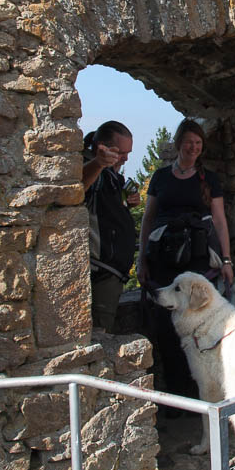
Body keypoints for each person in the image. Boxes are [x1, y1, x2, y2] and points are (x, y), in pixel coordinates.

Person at [137, 118, 234, 398]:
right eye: (189, 142)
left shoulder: (209, 179)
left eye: (198, 143)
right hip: (163, 261)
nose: (193, 148)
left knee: (203, 326)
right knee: (167, 330)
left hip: (198, 260)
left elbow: (219, 220)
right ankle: (178, 395)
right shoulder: (160, 177)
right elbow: (148, 219)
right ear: (179, 143)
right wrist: (142, 258)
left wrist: (226, 260)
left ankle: (205, 393)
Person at [83, 121, 139, 333]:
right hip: (100, 272)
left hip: (112, 273)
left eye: (128, 153)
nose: (126, 158)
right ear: (102, 148)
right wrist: (98, 163)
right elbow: (75, 190)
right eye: (122, 152)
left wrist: (127, 203)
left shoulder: (112, 174)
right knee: (99, 334)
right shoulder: (92, 167)